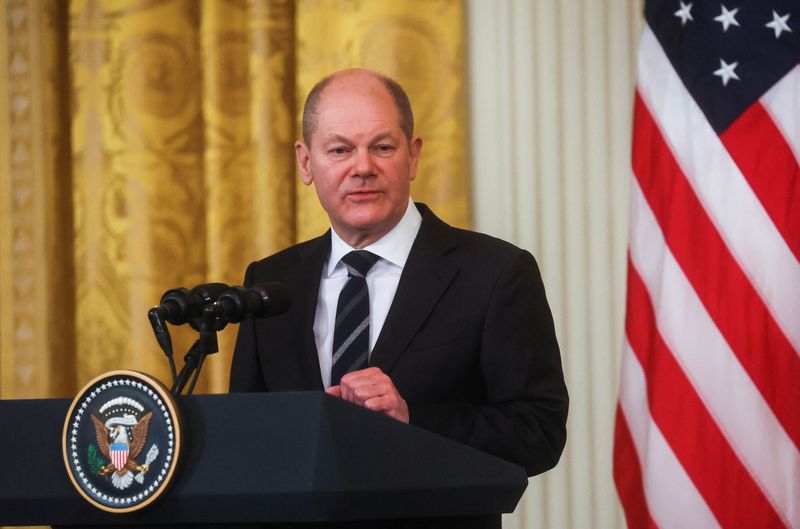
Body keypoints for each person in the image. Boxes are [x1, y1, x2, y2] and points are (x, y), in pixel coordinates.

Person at [229, 68, 568, 528]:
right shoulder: (270, 282)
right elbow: (251, 436)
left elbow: (539, 432)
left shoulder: (495, 273)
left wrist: (413, 420)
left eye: (382, 147)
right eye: (340, 149)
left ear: (412, 156)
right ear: (306, 163)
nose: (362, 166)